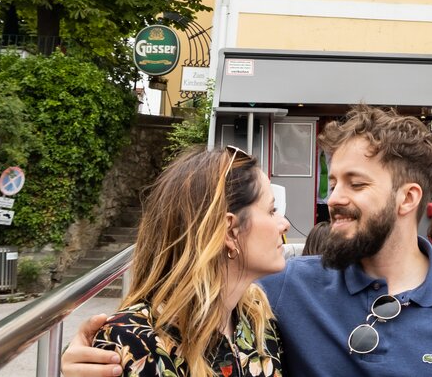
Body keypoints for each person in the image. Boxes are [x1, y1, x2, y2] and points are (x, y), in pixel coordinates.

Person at [62, 105, 432, 377]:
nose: (332, 199)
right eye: (333, 181)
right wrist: (84, 362)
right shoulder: (277, 289)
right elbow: (178, 315)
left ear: (408, 198)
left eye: (355, 184)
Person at [92, 146, 290, 377]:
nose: (284, 224)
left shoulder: (257, 319)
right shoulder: (133, 343)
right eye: (271, 210)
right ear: (230, 231)